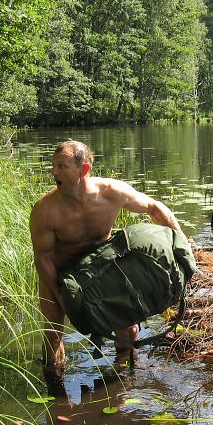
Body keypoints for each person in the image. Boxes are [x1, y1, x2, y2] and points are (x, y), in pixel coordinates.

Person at [30, 140, 184, 368]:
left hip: (100, 268)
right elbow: (42, 258)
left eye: (62, 166)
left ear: (83, 170)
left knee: (129, 329)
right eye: (53, 165)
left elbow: (154, 207)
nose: (54, 172)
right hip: (57, 272)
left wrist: (181, 245)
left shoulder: (111, 192)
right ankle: (56, 391)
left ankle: (123, 380)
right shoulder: (45, 210)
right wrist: (62, 298)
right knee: (53, 336)